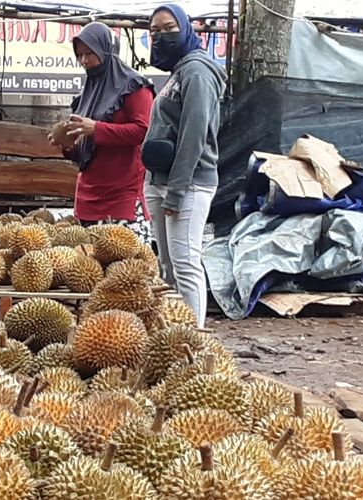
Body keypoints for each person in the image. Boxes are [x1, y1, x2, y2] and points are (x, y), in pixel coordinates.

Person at [142, 4, 227, 327]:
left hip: (188, 183)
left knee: (185, 263)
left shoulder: (197, 71)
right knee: (167, 265)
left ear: (187, 28)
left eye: (169, 28)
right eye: (155, 31)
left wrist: (176, 190)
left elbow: (194, 134)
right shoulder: (179, 72)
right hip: (161, 179)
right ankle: (171, 333)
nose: (162, 36)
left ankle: (195, 337)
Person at [47, 22, 155, 245]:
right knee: (87, 272)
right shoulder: (87, 93)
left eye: (89, 53)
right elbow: (85, 151)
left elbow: (144, 131)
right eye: (79, 55)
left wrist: (97, 129)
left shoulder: (135, 86)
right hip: (87, 197)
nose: (84, 61)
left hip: (122, 194)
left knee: (128, 270)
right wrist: (67, 145)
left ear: (106, 50)